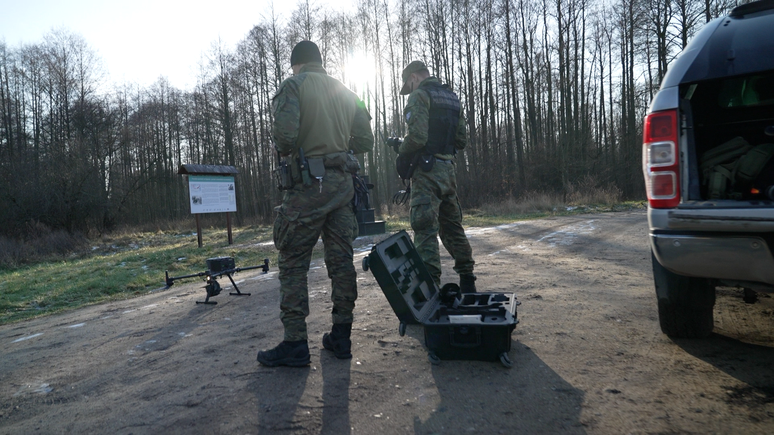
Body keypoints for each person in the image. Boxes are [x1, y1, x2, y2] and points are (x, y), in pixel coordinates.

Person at [257, 41, 374, 367]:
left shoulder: (293, 86)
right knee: (341, 262)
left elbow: (285, 138)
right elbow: (365, 140)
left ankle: (295, 343)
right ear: (320, 62)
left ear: (296, 64)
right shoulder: (348, 92)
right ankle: (342, 337)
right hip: (341, 187)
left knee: (293, 262)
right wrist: (338, 149)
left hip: (307, 187)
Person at [394, 60, 476, 293]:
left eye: (408, 86)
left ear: (413, 78)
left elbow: (417, 138)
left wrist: (401, 147)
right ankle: (468, 282)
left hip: (427, 173)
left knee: (425, 229)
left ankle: (431, 288)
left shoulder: (419, 96)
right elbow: (461, 140)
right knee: (452, 227)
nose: (409, 90)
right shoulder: (451, 97)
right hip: (448, 170)